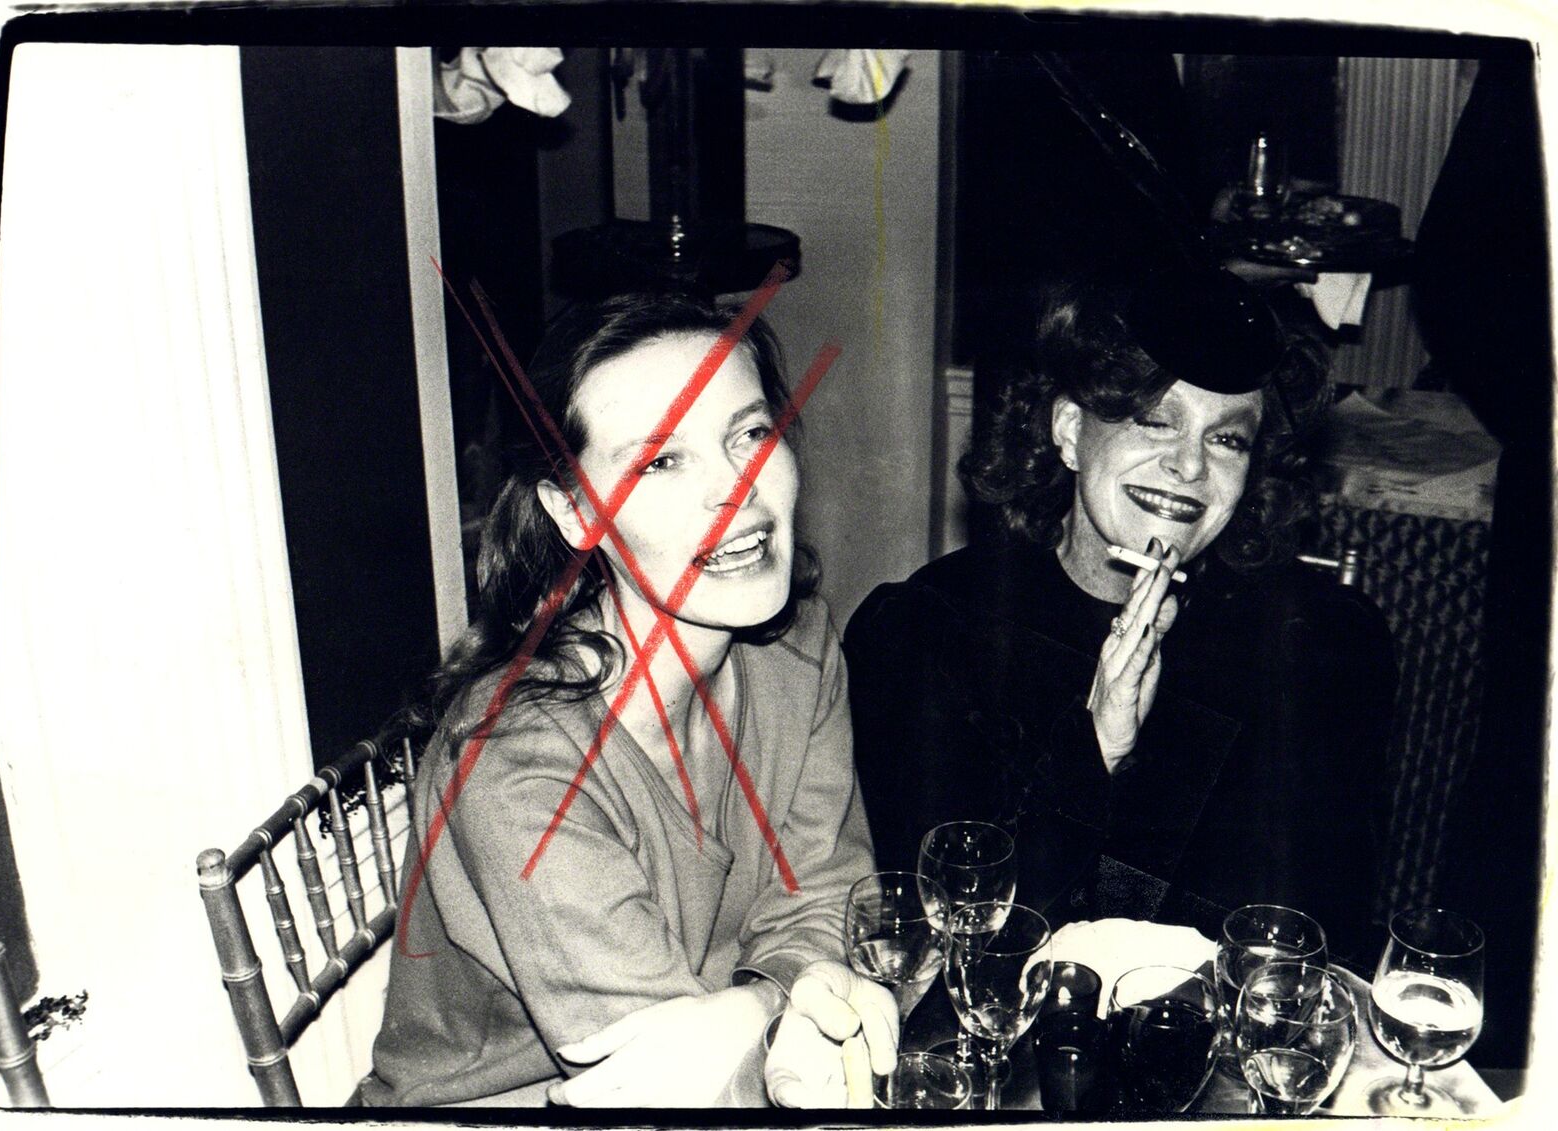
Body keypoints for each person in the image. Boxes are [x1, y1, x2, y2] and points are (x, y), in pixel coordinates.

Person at [359, 292, 894, 1107]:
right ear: (574, 511)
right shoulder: (515, 765)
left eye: (749, 432)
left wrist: (754, 1004)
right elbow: (673, 1082)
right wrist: (785, 1004)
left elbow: (826, 902)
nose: (736, 490)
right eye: (660, 461)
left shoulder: (800, 648)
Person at [844, 268, 1396, 960]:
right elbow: (949, 953)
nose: (1190, 467)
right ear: (1070, 431)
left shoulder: (1322, 650)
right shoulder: (928, 633)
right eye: (1154, 421)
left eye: (1227, 439)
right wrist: (1096, 747)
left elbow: (1314, 945)